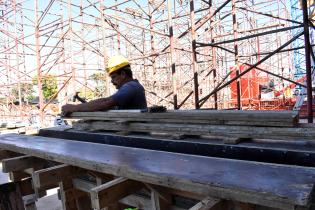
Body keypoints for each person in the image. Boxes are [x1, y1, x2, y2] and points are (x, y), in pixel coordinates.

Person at [61, 55, 147, 116]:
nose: (112, 81)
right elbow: (105, 100)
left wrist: (75, 108)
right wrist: (86, 106)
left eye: (113, 77)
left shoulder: (131, 87)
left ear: (123, 74)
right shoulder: (133, 86)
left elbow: (106, 103)